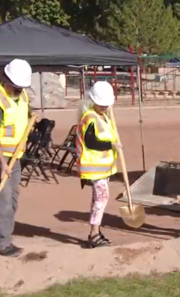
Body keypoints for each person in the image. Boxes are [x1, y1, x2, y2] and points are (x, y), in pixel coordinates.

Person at [0, 59, 34, 257]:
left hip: (16, 157)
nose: (19, 89)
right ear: (6, 78)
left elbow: (23, 117)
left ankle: (1, 236)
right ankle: (3, 243)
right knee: (4, 201)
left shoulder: (22, 95)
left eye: (22, 87)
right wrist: (2, 163)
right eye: (16, 86)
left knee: (13, 198)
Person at [75, 81, 121, 248]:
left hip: (102, 167)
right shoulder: (90, 118)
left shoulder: (103, 117)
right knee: (101, 199)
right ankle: (94, 233)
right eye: (101, 104)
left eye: (106, 104)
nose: (104, 107)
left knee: (99, 199)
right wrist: (112, 145)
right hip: (93, 168)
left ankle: (96, 230)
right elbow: (91, 142)